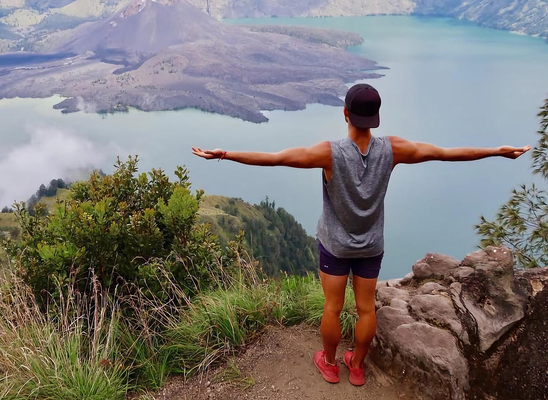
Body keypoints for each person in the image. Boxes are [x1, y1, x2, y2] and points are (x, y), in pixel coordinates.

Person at [191, 83, 530, 387]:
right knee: (366, 310)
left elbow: (276, 159)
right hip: (370, 246)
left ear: (345, 114)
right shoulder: (393, 149)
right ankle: (357, 365)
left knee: (333, 308)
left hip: (336, 246)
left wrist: (225, 154)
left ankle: (329, 363)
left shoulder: (329, 153)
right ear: (376, 117)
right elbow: (445, 153)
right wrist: (497, 151)